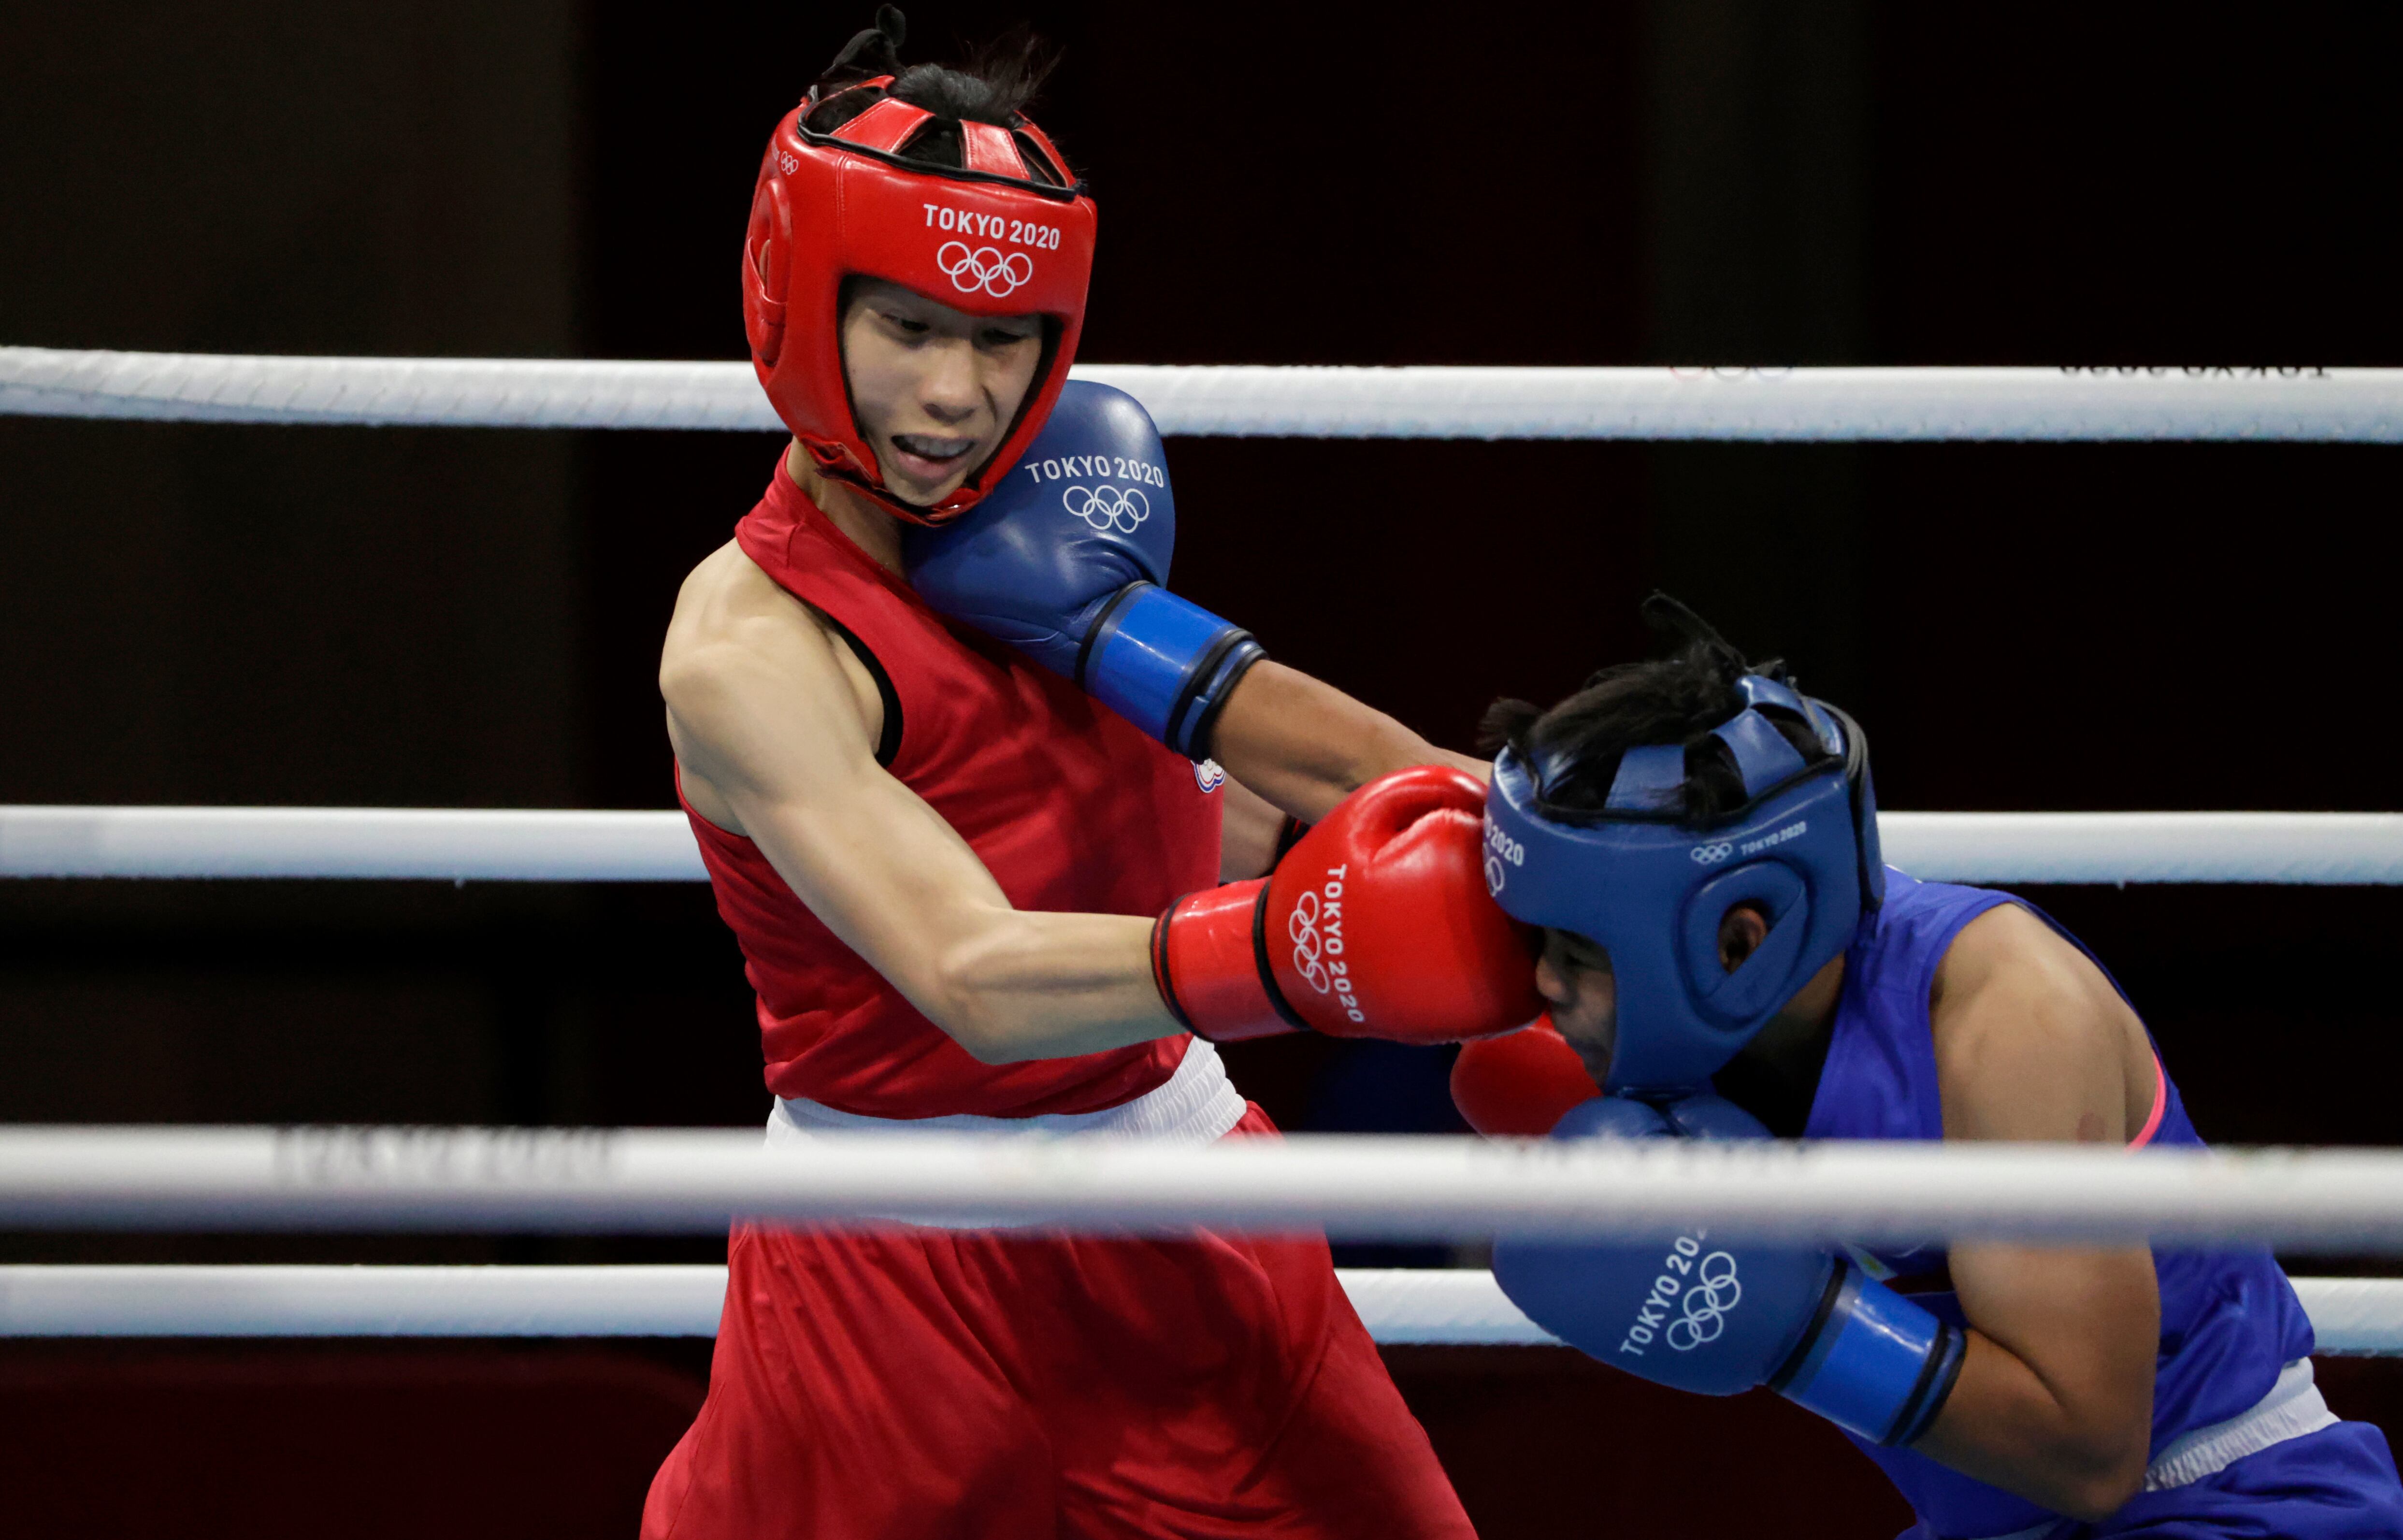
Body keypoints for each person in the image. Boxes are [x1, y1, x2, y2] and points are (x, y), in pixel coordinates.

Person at [643, 12, 1539, 1537]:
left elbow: (1250, 739)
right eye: (908, 328)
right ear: (800, 295)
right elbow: (970, 975)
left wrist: (1550, 834)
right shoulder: (748, 643)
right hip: (888, 1261)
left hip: (1177, 1189)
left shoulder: (1069, 497)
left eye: (1001, 340)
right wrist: (1298, 951)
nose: (956, 394)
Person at [1450, 595, 2403, 1538]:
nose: (1543, 984)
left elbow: (2091, 1458)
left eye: (1578, 954)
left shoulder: (2007, 1020)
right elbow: (1420, 785)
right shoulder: (1712, 981)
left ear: (1737, 943)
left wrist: (1798, 1327)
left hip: (2229, 1502)